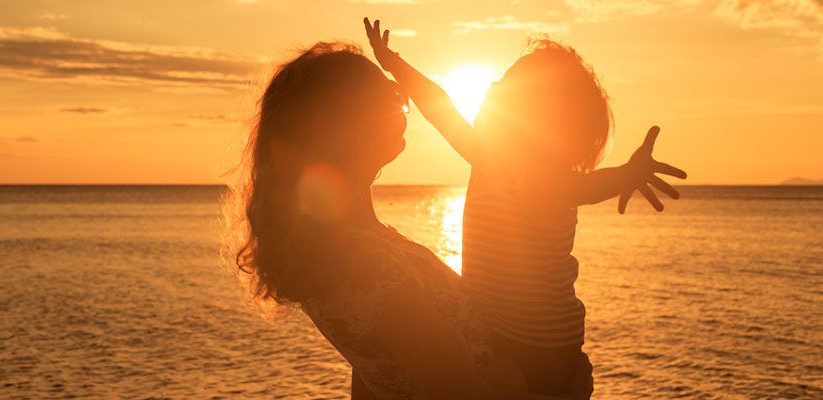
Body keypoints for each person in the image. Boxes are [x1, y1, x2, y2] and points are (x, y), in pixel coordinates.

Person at [235, 41, 593, 399]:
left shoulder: (352, 249)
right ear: (345, 128)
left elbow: (371, 381)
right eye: (385, 95)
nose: (400, 98)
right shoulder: (372, 268)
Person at [362, 18, 688, 395]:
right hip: (524, 342)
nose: (492, 86)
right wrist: (394, 63)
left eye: (503, 87)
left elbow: (573, 189)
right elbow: (439, 106)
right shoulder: (490, 157)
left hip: (534, 350)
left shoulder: (531, 173)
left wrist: (624, 176)